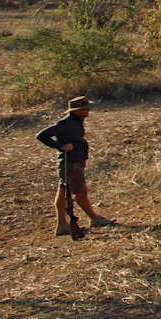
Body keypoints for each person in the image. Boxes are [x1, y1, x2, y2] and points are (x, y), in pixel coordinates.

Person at [36, 96, 114, 234]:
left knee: (63, 191)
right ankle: (93, 218)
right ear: (76, 111)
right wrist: (60, 146)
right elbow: (41, 136)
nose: (88, 111)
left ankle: (62, 225)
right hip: (70, 163)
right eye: (84, 109)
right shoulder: (65, 124)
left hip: (75, 162)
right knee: (79, 193)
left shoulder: (77, 122)